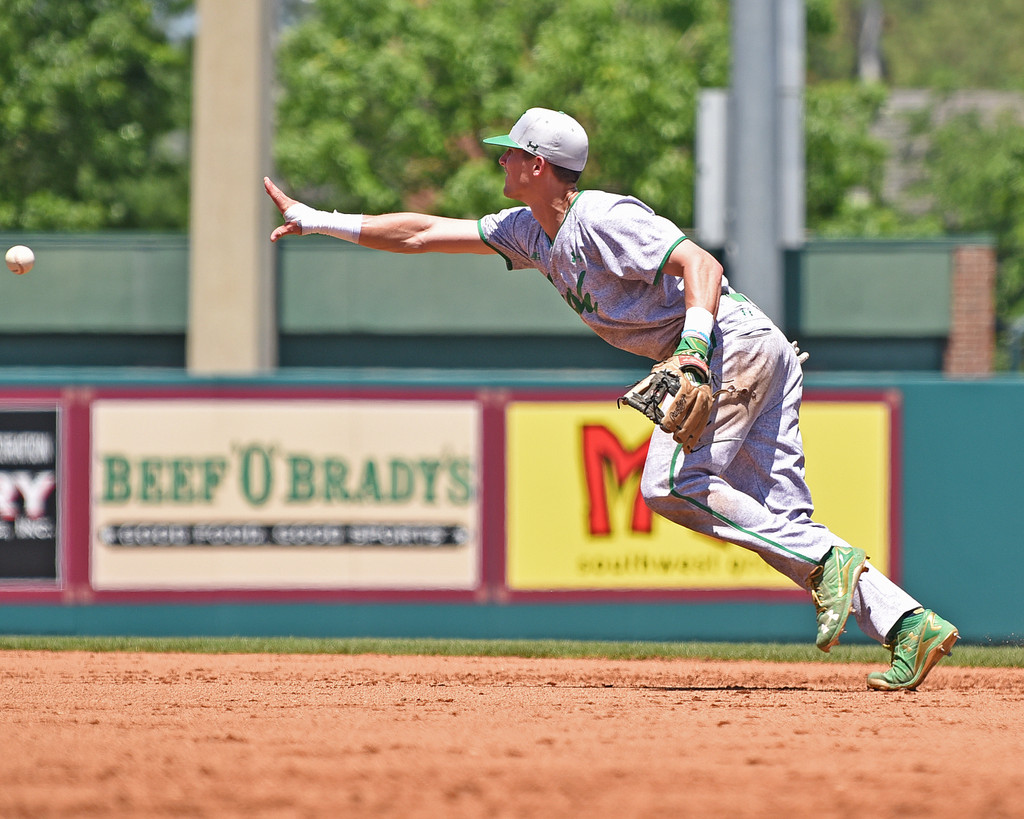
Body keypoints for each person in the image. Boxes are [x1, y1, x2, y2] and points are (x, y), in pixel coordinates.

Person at [265, 107, 958, 691]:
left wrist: (690, 350)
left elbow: (702, 265)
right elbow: (420, 232)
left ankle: (837, 566)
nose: (501, 162)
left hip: (728, 346)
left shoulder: (602, 216)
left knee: (670, 481)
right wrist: (318, 218)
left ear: (539, 164)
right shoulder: (528, 231)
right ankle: (907, 623)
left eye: (512, 154)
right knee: (777, 523)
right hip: (746, 350)